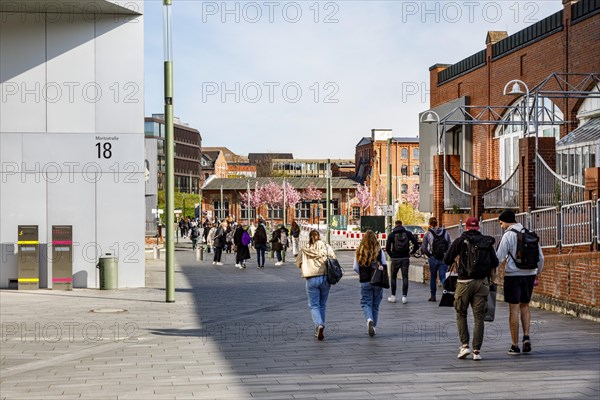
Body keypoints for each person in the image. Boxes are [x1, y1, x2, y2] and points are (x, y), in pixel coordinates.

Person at [444, 217, 499, 361]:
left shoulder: (459, 241)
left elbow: (446, 259)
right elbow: (495, 261)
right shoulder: (487, 242)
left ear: (466, 227)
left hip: (463, 283)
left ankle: (464, 346)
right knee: (479, 317)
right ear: (479, 227)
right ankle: (476, 351)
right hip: (481, 284)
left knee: (461, 313)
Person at [496, 209, 544, 356]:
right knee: (525, 306)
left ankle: (515, 345)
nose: (501, 225)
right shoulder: (529, 233)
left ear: (506, 221)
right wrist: (537, 274)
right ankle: (526, 337)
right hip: (529, 274)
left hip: (513, 275)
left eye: (501, 222)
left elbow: (499, 257)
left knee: (514, 309)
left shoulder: (508, 235)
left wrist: (494, 274)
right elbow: (541, 258)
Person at [297, 230, 336, 340]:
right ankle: (321, 325)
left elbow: (298, 262)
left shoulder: (305, 249)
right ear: (319, 236)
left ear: (309, 237)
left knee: (314, 305)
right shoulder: (326, 247)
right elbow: (334, 258)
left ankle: (318, 325)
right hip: (325, 277)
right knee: (322, 304)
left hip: (311, 278)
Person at [354, 230, 388, 337]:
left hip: (365, 281)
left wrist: (362, 273)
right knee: (375, 305)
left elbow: (355, 267)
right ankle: (374, 327)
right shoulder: (380, 251)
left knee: (366, 303)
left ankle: (369, 320)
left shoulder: (359, 251)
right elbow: (384, 264)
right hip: (377, 281)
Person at [385, 220, 419, 304]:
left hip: (395, 259)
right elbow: (416, 244)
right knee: (405, 277)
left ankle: (393, 296)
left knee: (393, 277)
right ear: (402, 225)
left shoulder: (392, 235)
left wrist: (392, 255)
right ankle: (404, 297)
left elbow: (387, 248)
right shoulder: (408, 234)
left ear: (395, 225)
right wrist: (411, 253)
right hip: (405, 258)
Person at [421, 217, 452, 302]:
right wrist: (447, 255)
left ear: (429, 224)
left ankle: (433, 296)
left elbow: (423, 247)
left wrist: (430, 255)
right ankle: (448, 292)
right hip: (443, 257)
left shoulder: (428, 233)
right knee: (443, 277)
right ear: (437, 223)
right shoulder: (445, 232)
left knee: (433, 277)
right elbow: (450, 245)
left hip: (433, 258)